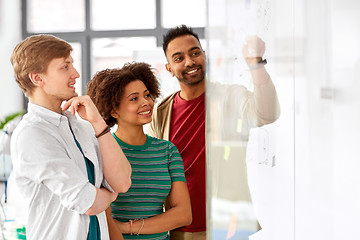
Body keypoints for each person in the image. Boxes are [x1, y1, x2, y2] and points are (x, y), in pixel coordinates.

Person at [148, 25, 280, 239]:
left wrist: (256, 63)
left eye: (194, 53)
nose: (190, 62)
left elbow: (268, 112)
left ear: (204, 56)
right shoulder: (161, 112)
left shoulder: (231, 96)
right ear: (170, 68)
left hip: (228, 228)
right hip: (178, 230)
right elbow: (154, 169)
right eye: (179, 58)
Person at [10, 34, 132, 240]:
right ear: (37, 78)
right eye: (65, 67)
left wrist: (98, 124)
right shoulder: (32, 134)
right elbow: (88, 201)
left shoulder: (82, 125)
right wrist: (110, 195)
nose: (75, 74)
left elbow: (122, 183)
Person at [87, 62, 192, 240]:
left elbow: (183, 215)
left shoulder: (167, 151)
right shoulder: (102, 150)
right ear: (114, 110)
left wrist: (126, 227)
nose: (147, 103)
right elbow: (102, 215)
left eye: (147, 95)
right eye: (134, 99)